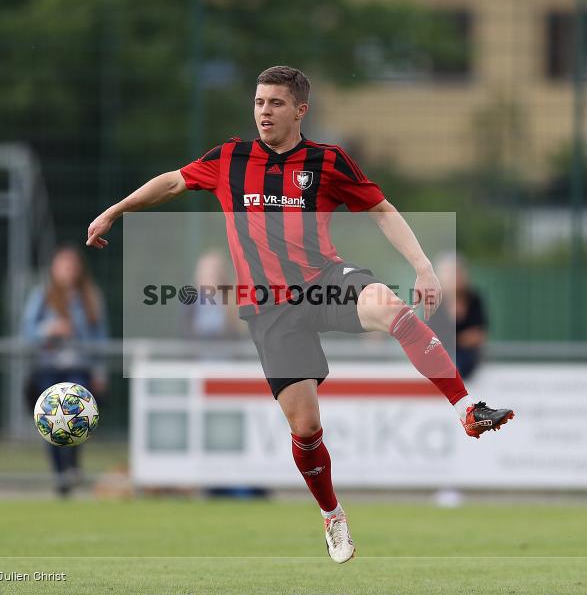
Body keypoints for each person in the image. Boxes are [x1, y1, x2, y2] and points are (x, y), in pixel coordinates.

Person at [86, 66, 513, 563]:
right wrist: (116, 210)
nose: (264, 112)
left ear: (300, 110)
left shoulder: (327, 161)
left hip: (325, 280)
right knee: (306, 426)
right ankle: (332, 516)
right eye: (259, 102)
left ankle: (467, 409)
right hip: (270, 310)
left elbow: (381, 209)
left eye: (275, 103)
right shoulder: (230, 158)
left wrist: (422, 267)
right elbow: (174, 182)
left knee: (392, 308)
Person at [22, 245, 109, 497]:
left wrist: (100, 373)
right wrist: (49, 329)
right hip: (48, 367)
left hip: (78, 366)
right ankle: (60, 475)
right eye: (63, 265)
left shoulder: (90, 296)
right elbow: (27, 331)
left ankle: (71, 465)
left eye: (72, 265)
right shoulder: (42, 295)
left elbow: (100, 337)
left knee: (77, 415)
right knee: (50, 422)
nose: (68, 270)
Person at [427, 254, 488, 380]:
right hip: (441, 360)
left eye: (457, 273)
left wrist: (451, 340)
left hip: (467, 361)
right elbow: (430, 337)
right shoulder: (435, 301)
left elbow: (478, 336)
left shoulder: (473, 298)